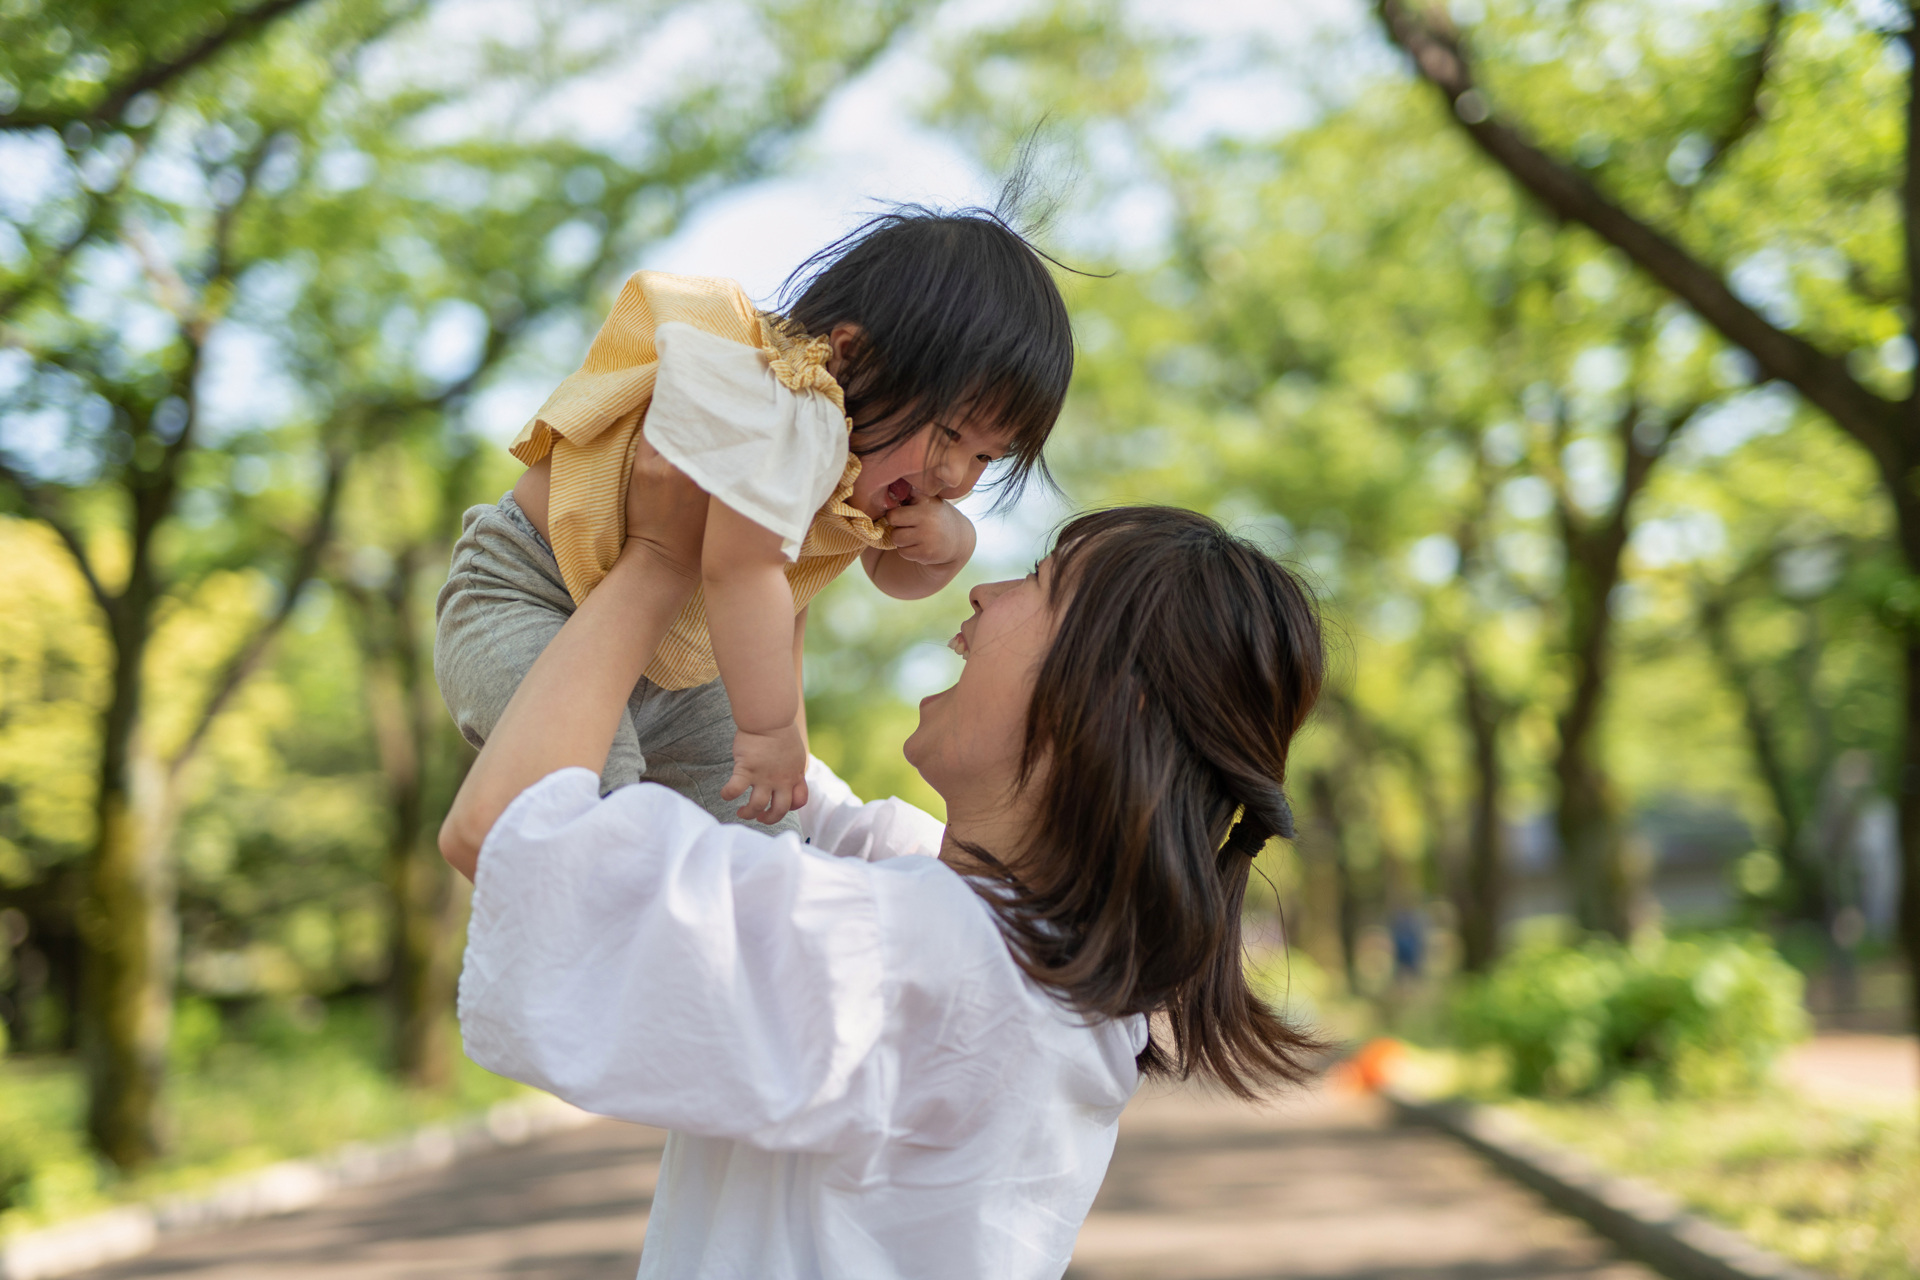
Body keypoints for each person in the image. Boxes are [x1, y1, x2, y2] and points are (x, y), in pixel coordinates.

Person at [438, 446, 1329, 1280]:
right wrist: (783, 563)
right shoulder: (1019, 954)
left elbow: (518, 837)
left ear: (1108, 701)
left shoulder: (932, 962)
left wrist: (660, 559)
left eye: (1043, 584)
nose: (986, 592)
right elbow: (760, 786)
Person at [434, 205, 1073, 834]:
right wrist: (770, 731)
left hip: (683, 670)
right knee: (594, 809)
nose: (958, 476)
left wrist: (945, 551)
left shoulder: (867, 454)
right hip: (532, 595)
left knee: (762, 836)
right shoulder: (783, 405)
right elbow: (742, 570)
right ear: (853, 360)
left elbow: (885, 572)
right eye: (952, 433)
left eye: (987, 455)